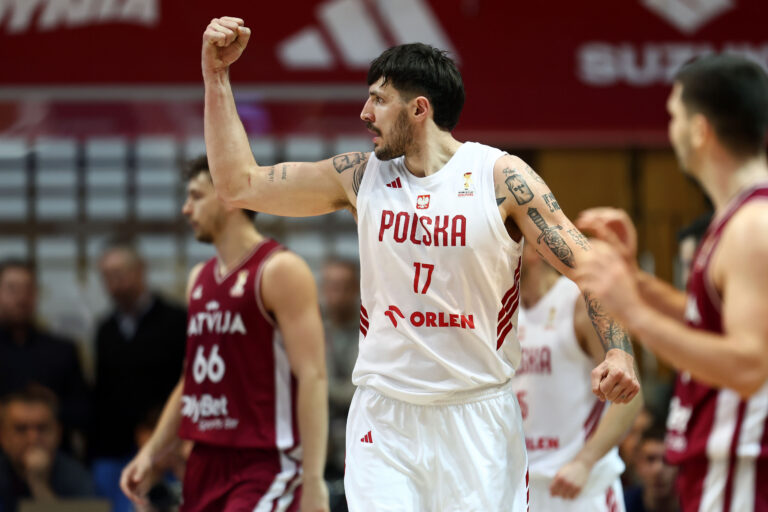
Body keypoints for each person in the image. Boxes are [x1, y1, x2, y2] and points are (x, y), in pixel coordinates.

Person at [199, 17, 639, 511]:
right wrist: (216, 77)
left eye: (378, 99)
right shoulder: (360, 177)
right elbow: (239, 185)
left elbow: (590, 267)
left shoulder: (500, 179)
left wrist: (619, 352)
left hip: (477, 416)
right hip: (384, 418)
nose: (365, 113)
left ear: (419, 109)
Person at [575, 54, 768, 511]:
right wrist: (636, 282)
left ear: (700, 131)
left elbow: (749, 365)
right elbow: (707, 320)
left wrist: (634, 312)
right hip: (718, 466)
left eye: (674, 116)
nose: (670, 129)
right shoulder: (735, 218)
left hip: (743, 467)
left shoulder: (753, 226)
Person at [119, 156, 329, 512]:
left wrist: (313, 480)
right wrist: (151, 452)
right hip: (204, 459)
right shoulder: (198, 279)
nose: (186, 209)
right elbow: (191, 381)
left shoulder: (279, 269)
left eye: (196, 196)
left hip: (263, 460)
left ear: (230, 196)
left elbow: (313, 376)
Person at [512, 241, 643, 511]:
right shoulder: (503, 309)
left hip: (581, 486)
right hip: (524, 486)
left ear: (534, 250)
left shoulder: (580, 302)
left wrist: (585, 461)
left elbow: (630, 398)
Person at [91, 239, 187, 512]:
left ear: (141, 270)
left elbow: (187, 382)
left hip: (168, 443)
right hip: (117, 446)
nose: (115, 283)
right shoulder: (106, 330)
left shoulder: (176, 321)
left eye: (120, 273)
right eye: (107, 276)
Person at [0, 259, 90, 447]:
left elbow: (85, 412)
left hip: (55, 455)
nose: (21, 298)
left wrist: (51, 406)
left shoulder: (62, 350)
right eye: (12, 289)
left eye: (28, 289)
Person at [0, 386, 94, 512]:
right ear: (3, 436)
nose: (33, 439)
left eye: (42, 428)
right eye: (21, 429)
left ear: (58, 433)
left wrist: (38, 484)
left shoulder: (77, 478)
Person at [319, 258, 359, 480]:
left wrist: (320, 387)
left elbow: (360, 390)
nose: (339, 294)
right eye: (333, 286)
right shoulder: (314, 332)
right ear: (323, 289)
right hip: (323, 448)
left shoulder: (370, 332)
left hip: (361, 440)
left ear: (356, 289)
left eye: (345, 286)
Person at [623, 424, 680, 512]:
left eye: (668, 460)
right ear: (638, 463)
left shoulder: (697, 504)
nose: (658, 469)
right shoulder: (621, 505)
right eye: (650, 459)